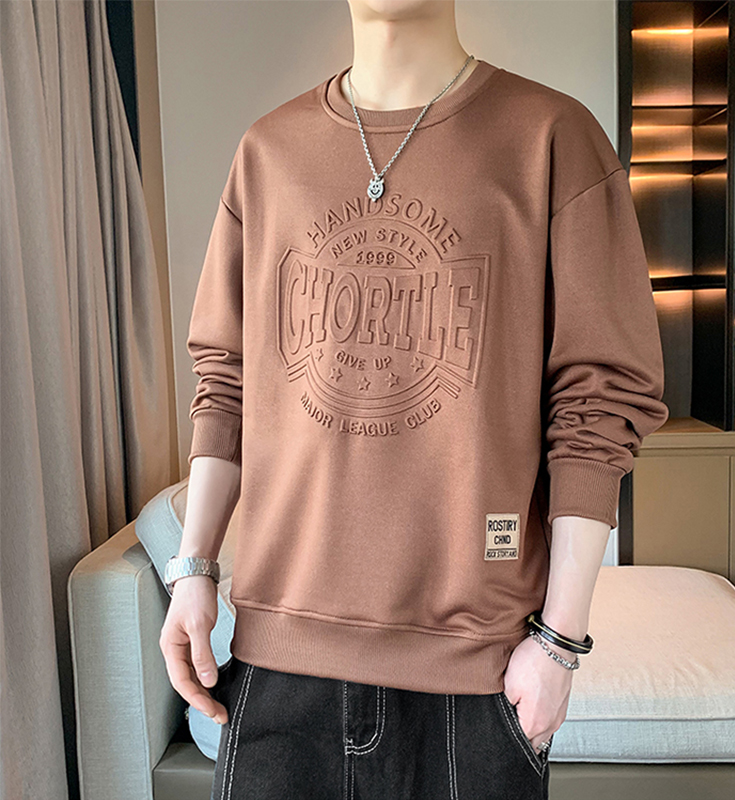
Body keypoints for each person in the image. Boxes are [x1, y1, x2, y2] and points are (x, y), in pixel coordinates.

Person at [159, 1, 670, 798]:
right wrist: (194, 569)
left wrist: (560, 644)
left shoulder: (552, 138)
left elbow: (599, 400)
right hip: (277, 673)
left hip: (476, 683)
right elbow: (226, 382)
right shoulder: (268, 152)